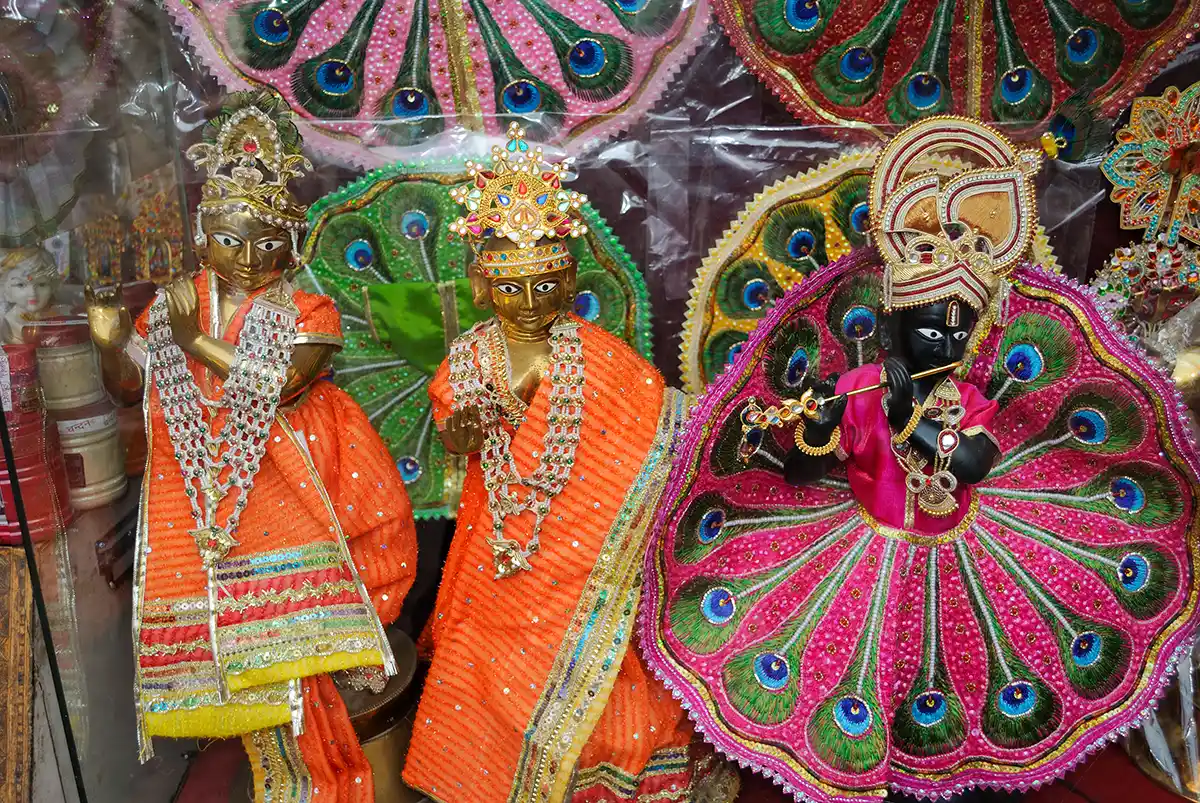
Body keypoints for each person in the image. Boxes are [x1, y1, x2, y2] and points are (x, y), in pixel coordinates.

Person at [640, 117, 1200, 802]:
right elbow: (802, 475)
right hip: (859, 548)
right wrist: (817, 425)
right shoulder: (856, 385)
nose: (943, 345)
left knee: (946, 680)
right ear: (894, 324)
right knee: (866, 672)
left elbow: (969, 465)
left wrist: (910, 418)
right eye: (927, 329)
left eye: (957, 332)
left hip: (961, 553)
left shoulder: (969, 396)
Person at [84, 92, 417, 802]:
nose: (248, 257)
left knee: (334, 583)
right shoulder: (181, 298)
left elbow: (282, 383)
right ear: (203, 235)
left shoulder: (304, 308)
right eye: (231, 239)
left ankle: (311, 649)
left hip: (303, 469)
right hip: (205, 484)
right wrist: (112, 343)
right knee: (227, 623)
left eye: (268, 242)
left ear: (291, 245)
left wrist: (193, 341)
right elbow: (127, 390)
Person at [402, 123, 738, 803]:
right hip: (501, 553)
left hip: (589, 558)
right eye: (512, 289)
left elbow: (655, 428)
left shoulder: (597, 354)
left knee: (607, 663)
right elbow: (457, 433)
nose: (530, 305)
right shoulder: (469, 357)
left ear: (571, 279)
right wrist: (467, 427)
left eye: (547, 286)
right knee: (477, 655)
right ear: (481, 283)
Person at [0, 247, 60, 344]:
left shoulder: (58, 317)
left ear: (52, 286)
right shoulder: (5, 324)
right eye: (21, 285)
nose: (32, 293)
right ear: (6, 290)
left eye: (41, 284)